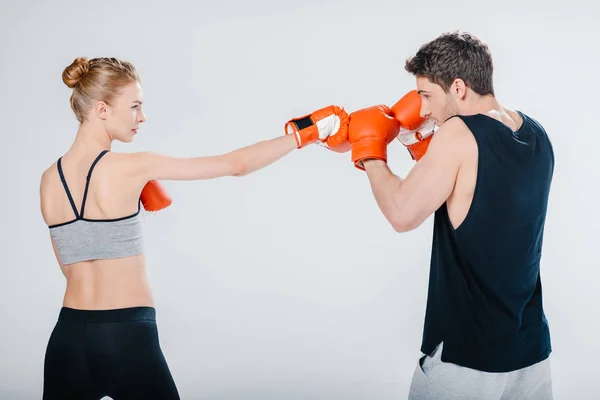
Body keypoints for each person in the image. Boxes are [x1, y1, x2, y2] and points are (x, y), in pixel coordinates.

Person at [38, 56, 346, 399]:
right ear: (102, 109)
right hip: (125, 336)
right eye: (135, 106)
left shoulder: (49, 180)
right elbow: (235, 165)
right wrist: (308, 133)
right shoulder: (134, 167)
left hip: (68, 339)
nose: (142, 117)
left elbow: (71, 268)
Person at [335, 31, 555, 399]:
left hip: (467, 356)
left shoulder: (456, 134)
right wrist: (423, 150)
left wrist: (370, 153)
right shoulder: (535, 134)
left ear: (458, 87)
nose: (423, 110)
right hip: (529, 353)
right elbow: (483, 199)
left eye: (426, 95)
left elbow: (402, 213)